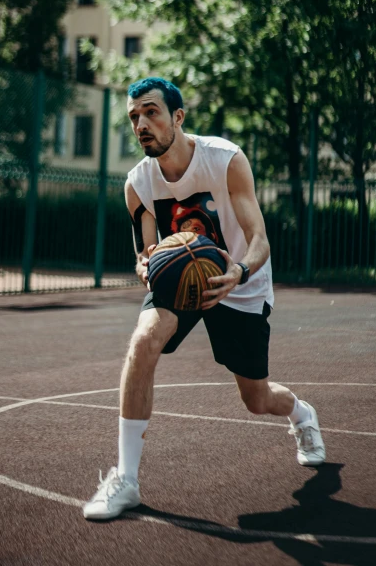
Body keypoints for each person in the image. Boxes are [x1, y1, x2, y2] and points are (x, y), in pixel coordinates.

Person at [83, 77, 325, 521]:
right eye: (134, 116)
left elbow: (259, 239)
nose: (141, 123)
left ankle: (301, 414)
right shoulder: (137, 183)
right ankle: (126, 478)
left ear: (178, 116)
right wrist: (143, 265)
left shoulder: (225, 160)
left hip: (240, 281)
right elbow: (147, 249)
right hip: (181, 279)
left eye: (151, 112)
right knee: (143, 342)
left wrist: (238, 272)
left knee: (256, 399)